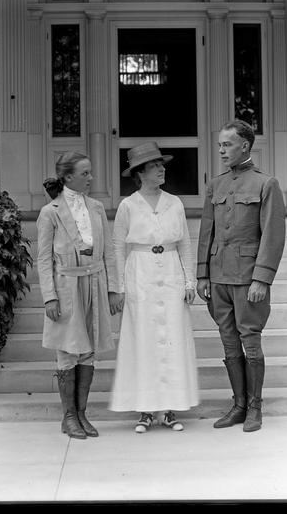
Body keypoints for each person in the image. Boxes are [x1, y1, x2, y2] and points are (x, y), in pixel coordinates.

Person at [196, 120, 285, 432]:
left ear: (245, 146)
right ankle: (238, 404)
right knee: (228, 341)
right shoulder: (215, 186)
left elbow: (273, 235)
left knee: (250, 340)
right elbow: (206, 232)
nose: (221, 150)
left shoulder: (266, 184)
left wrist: (262, 278)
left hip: (248, 278)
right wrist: (202, 275)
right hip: (219, 276)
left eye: (227, 145)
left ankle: (255, 407)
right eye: (220, 145)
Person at [109, 142, 199, 433]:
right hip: (141, 271)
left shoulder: (174, 203)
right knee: (144, 339)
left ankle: (170, 409)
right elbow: (118, 246)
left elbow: (184, 241)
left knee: (171, 335)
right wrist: (120, 286)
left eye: (162, 165)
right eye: (154, 166)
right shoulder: (128, 205)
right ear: (140, 173)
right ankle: (146, 410)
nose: (161, 170)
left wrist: (189, 280)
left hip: (171, 268)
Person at [37, 152, 122, 440]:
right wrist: (50, 297)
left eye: (90, 172)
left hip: (95, 283)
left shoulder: (96, 207)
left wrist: (113, 289)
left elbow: (109, 251)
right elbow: (44, 259)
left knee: (88, 349)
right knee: (68, 349)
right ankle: (68, 416)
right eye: (85, 173)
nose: (91, 178)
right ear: (68, 177)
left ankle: (82, 413)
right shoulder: (51, 212)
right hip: (66, 287)